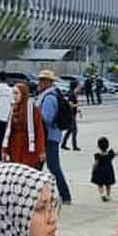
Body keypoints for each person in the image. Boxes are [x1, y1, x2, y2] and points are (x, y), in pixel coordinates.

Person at [37, 70, 72, 204]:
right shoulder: (48, 95)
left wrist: (36, 117)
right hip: (50, 136)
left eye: (43, 80)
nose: (40, 82)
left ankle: (66, 195)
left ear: (49, 83)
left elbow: (46, 118)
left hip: (48, 137)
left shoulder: (49, 97)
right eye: (40, 79)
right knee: (37, 167)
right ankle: (33, 193)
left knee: (53, 167)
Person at [1, 82, 46, 170]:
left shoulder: (34, 110)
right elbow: (8, 132)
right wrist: (4, 150)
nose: (14, 96)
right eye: (13, 93)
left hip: (29, 148)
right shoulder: (13, 109)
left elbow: (39, 131)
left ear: (23, 94)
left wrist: (41, 151)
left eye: (17, 93)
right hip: (14, 148)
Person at [91, 136, 116, 202]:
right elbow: (115, 154)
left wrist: (93, 168)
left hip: (100, 172)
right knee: (108, 185)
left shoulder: (98, 155)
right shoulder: (110, 154)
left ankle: (102, 194)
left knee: (100, 184)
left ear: (98, 146)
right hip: (108, 171)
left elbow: (96, 163)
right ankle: (108, 195)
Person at [60, 81, 81, 151]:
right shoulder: (72, 94)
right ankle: (74, 146)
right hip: (71, 115)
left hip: (72, 114)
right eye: (78, 86)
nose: (79, 87)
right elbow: (70, 104)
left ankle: (63, 144)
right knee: (74, 130)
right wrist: (77, 105)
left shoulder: (73, 94)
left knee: (70, 130)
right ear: (75, 86)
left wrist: (78, 110)